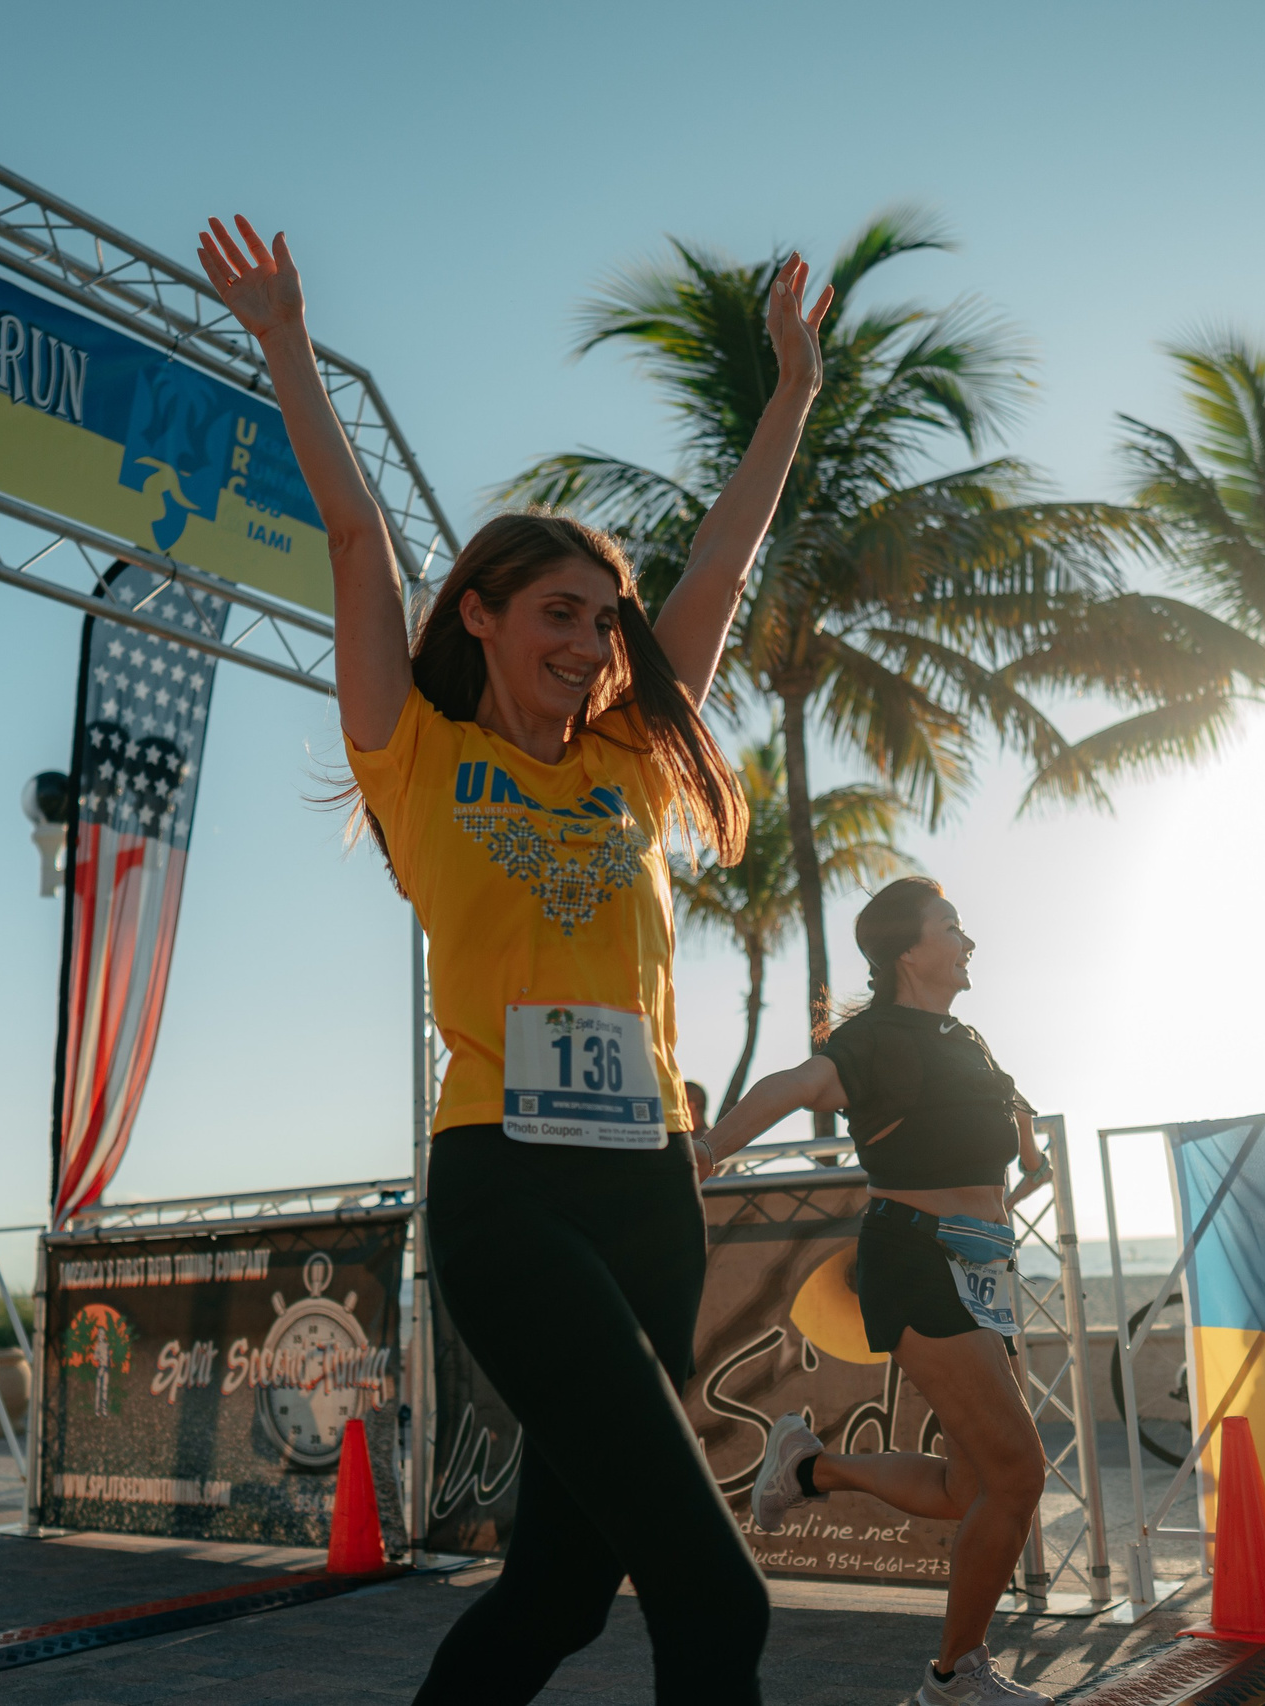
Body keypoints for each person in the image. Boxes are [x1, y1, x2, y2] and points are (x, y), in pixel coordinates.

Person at [196, 213, 827, 1704]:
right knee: (715, 1600)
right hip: (507, 1184)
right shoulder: (418, 755)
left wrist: (793, 392)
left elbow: (721, 567)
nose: (591, 644)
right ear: (477, 614)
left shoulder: (634, 763)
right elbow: (357, 537)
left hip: (652, 1195)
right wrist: (285, 340)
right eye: (559, 614)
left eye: (605, 623)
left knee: (555, 1594)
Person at [695, 877, 1055, 1705]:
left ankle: (810, 1469)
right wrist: (707, 1152)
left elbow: (1003, 1124)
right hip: (918, 1259)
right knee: (1017, 1474)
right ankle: (953, 1679)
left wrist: (1027, 1162)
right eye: (951, 927)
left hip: (980, 1269)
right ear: (907, 952)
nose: (968, 941)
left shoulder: (966, 1037)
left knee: (968, 1489)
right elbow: (792, 1085)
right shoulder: (878, 1039)